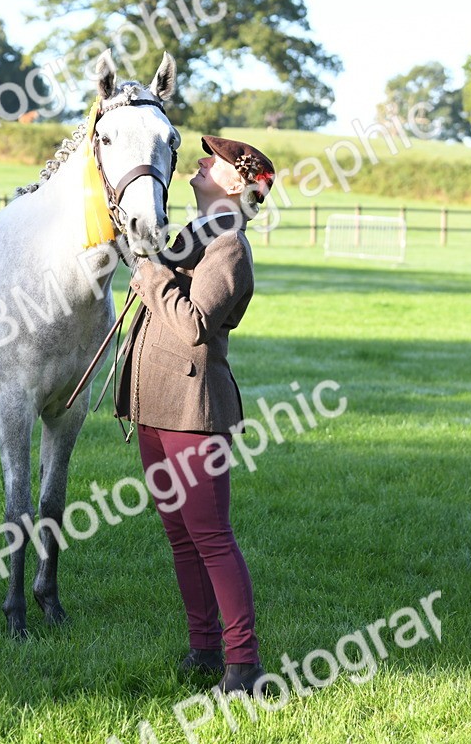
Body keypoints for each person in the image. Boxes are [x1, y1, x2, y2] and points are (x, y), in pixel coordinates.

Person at [113, 135, 275, 696]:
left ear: (235, 183)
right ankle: (204, 649)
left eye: (213, 160)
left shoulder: (229, 245)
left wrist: (152, 276)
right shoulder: (198, 234)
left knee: (210, 536)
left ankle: (245, 664)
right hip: (157, 404)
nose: (201, 162)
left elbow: (193, 327)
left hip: (194, 410)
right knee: (181, 537)